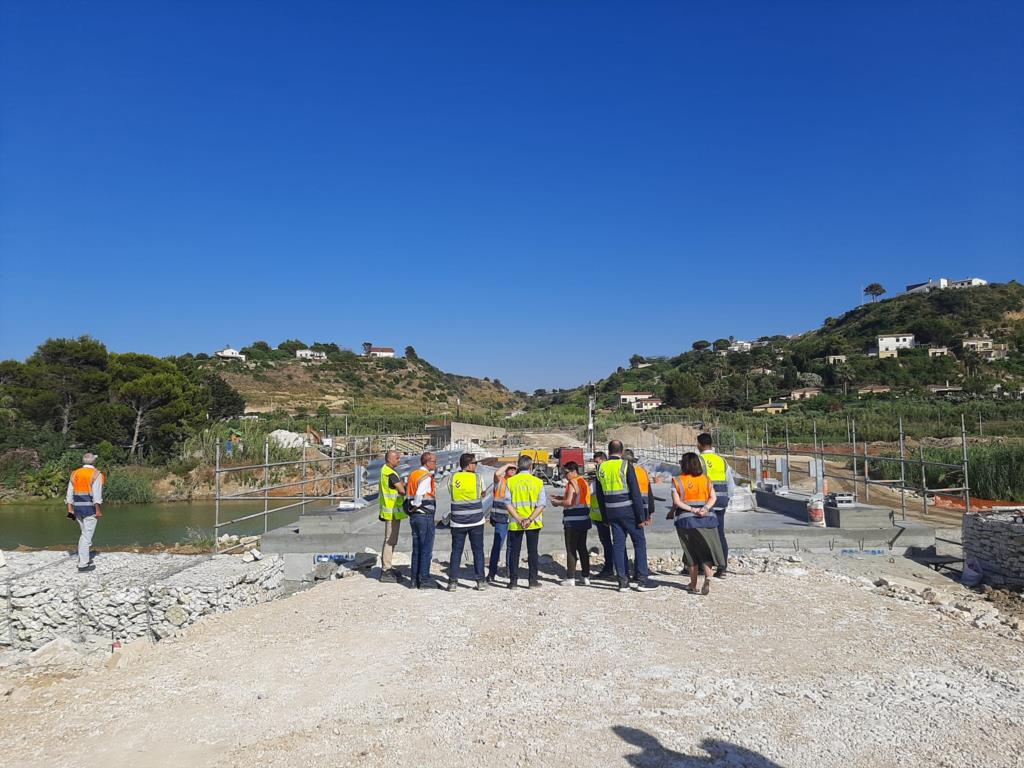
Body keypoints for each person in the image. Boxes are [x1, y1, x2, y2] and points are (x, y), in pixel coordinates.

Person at [594, 440, 655, 592]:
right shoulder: (626, 465)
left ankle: (623, 582)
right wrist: (641, 516)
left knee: (618, 545)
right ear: (621, 452)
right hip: (628, 511)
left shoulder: (601, 467)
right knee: (639, 543)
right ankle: (641, 580)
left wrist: (604, 517)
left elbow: (600, 496)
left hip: (611, 512)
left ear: (609, 451)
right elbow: (635, 493)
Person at [668, 452, 725, 596]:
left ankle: (693, 585)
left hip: (686, 521)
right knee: (705, 550)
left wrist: (692, 509)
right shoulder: (705, 479)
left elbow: (677, 502)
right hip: (708, 519)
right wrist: (704, 509)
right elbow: (713, 497)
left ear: (684, 464)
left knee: (690, 552)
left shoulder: (677, 480)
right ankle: (708, 575)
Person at [446, 453, 488, 591]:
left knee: (456, 551)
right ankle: (480, 581)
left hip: (457, 521)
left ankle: (452, 582)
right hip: (475, 520)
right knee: (478, 551)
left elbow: (450, 492)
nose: (476, 465)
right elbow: (482, 493)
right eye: (475, 463)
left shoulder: (452, 477)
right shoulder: (477, 478)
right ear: (469, 464)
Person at [505, 455, 546, 589]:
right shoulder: (538, 482)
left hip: (516, 523)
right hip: (533, 523)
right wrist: (529, 519)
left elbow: (507, 503)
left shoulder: (510, 482)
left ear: (518, 466)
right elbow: (541, 505)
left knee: (514, 552)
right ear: (530, 466)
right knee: (532, 552)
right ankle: (532, 580)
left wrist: (519, 518)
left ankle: (513, 582)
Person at [697, 433, 735, 578]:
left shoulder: (699, 460)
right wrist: (727, 499)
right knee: (720, 534)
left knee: (703, 535)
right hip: (721, 502)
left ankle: (703, 567)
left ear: (699, 445)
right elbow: (730, 484)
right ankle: (722, 567)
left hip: (705, 503)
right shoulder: (722, 460)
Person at [551, 461, 591, 586]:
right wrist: (560, 497)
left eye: (566, 472)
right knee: (582, 548)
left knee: (571, 548)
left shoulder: (572, 482)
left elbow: (569, 502)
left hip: (572, 520)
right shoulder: (583, 481)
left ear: (574, 471)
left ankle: (570, 577)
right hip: (584, 518)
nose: (564, 475)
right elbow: (576, 498)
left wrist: (557, 503)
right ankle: (586, 576)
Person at [405, 452, 441, 589]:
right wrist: (416, 505)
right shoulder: (426, 477)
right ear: (427, 462)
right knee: (426, 548)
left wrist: (412, 509)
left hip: (414, 517)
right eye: (434, 462)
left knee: (417, 548)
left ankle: (414, 580)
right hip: (424, 515)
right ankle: (424, 579)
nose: (435, 464)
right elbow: (419, 494)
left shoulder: (413, 474)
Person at [65, 453, 105, 572]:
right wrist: (98, 511)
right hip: (90, 510)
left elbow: (69, 494)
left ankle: (84, 556)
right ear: (93, 462)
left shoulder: (75, 473)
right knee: (86, 536)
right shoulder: (96, 474)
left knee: (84, 533)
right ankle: (83, 564)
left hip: (77, 509)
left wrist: (70, 510)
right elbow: (97, 495)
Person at [378, 449, 407, 583]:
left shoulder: (385, 470)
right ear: (390, 459)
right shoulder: (390, 473)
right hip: (392, 511)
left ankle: (388, 566)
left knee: (391, 539)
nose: (399, 460)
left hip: (391, 511)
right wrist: (406, 487)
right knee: (390, 540)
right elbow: (401, 490)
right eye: (397, 458)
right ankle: (386, 569)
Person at [486, 463, 516, 584]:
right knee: (497, 545)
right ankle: (492, 572)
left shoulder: (517, 482)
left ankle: (509, 570)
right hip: (500, 517)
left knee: (511, 546)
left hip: (513, 518)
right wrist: (508, 464)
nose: (512, 471)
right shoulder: (501, 481)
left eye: (514, 469)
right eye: (510, 469)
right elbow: (497, 474)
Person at [588, 451, 615, 579]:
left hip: (604, 515)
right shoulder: (603, 476)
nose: (595, 464)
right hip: (602, 515)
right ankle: (614, 566)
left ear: (603, 460)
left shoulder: (602, 477)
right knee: (610, 542)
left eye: (597, 461)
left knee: (608, 543)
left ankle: (610, 567)